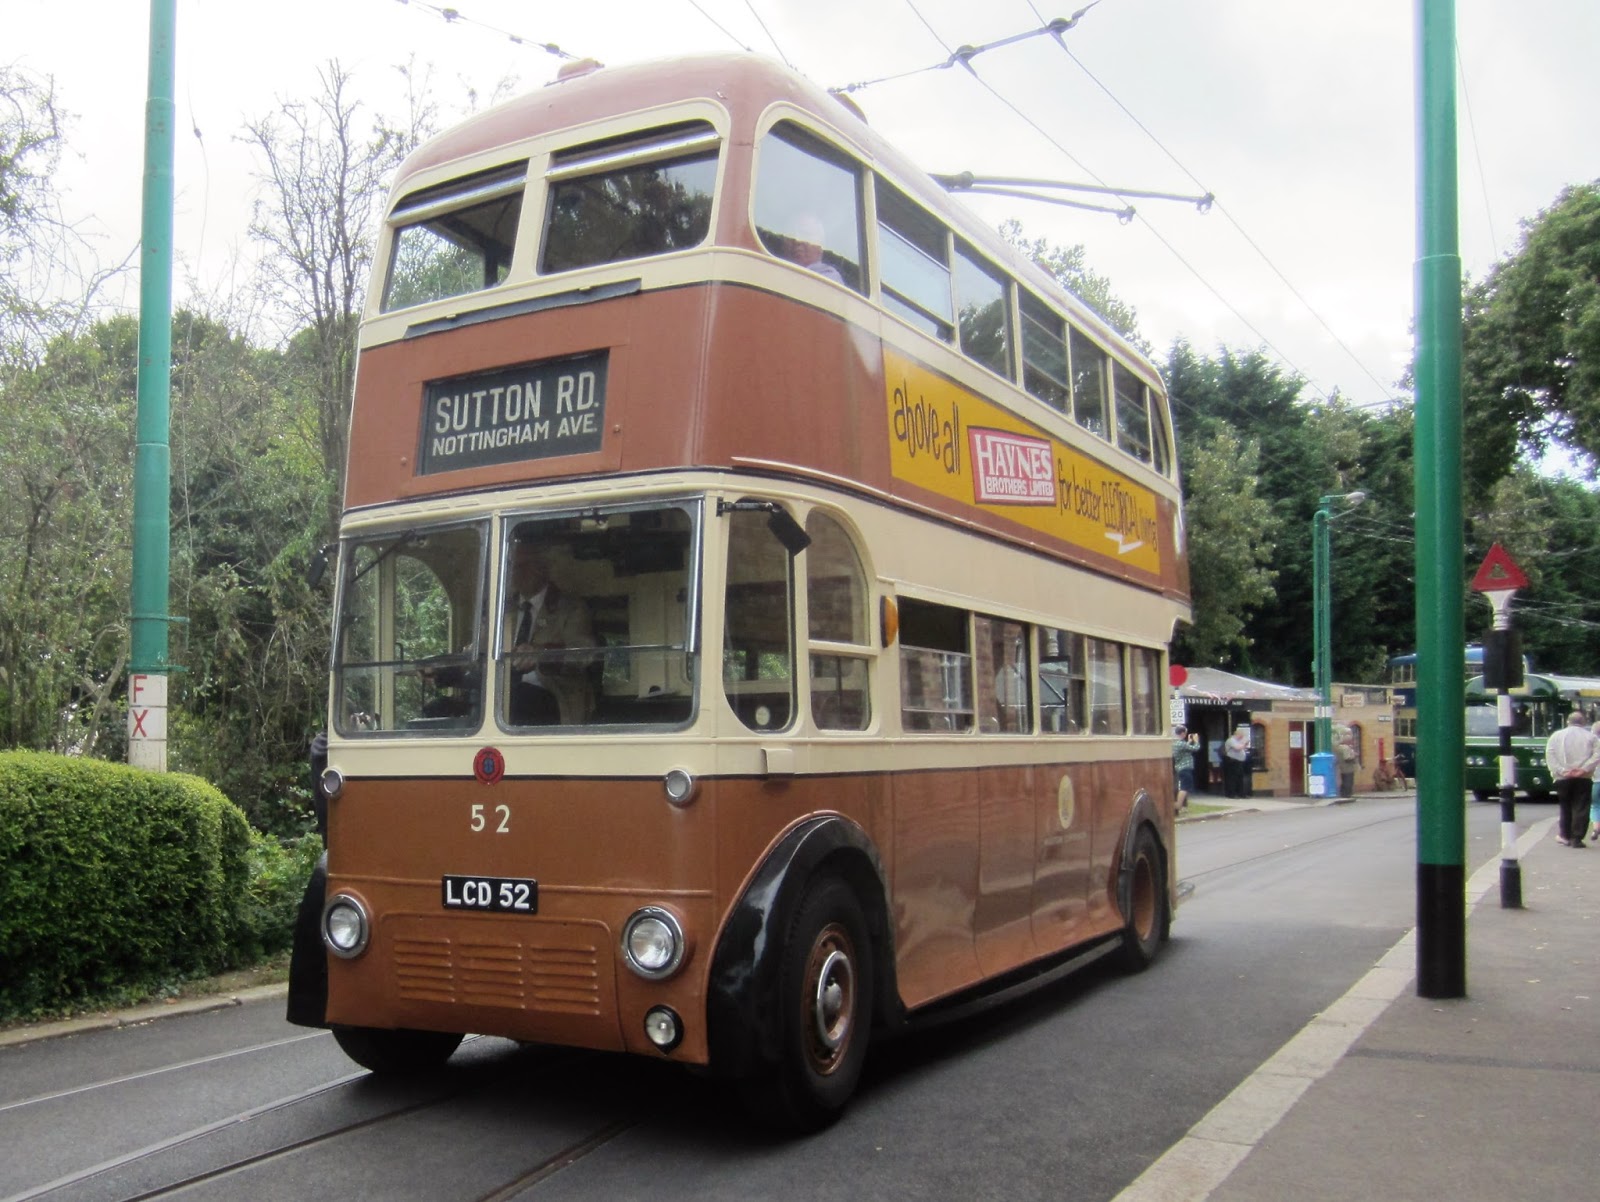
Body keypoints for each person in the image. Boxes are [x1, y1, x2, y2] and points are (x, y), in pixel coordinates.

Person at [504, 538, 597, 725]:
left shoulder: (571, 608)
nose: (516, 572)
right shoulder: (502, 612)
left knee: (520, 697)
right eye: (512, 566)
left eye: (524, 565)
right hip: (502, 698)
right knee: (441, 708)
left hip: (554, 696)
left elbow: (584, 654)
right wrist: (443, 669)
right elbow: (479, 649)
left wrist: (541, 654)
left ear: (543, 567)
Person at [1544, 709, 1599, 847]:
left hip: (1563, 778)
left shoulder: (1556, 736)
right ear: (1584, 722)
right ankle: (1577, 838)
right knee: (1581, 807)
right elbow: (1597, 755)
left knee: (1565, 806)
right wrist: (1583, 769)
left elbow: (1550, 755)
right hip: (1584, 777)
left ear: (1567, 721)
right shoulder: (1591, 737)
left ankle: (1565, 835)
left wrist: (1562, 771)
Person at [787, 215, 845, 284]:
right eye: (791, 235)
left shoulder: (829, 278)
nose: (797, 240)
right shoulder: (774, 267)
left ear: (820, 245)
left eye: (805, 234)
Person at [1172, 725, 1198, 811]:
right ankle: (1178, 805)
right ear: (1183, 733)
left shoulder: (1176, 743)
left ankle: (1181, 805)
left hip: (1180, 767)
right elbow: (1196, 748)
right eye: (1185, 733)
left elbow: (1185, 748)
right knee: (1185, 787)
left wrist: (1189, 742)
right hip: (1185, 768)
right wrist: (1196, 741)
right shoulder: (1181, 743)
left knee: (1184, 786)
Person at [1224, 723, 1253, 798]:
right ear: (1238, 734)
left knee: (1240, 778)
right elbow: (1237, 748)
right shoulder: (1231, 740)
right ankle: (1232, 794)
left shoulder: (1238, 741)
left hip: (1239, 762)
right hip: (1233, 761)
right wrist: (1244, 743)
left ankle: (1241, 793)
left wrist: (1244, 743)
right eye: (1241, 736)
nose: (1242, 737)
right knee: (1233, 778)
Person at [1335, 729, 1358, 799]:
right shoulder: (1345, 748)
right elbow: (1347, 758)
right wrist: (1354, 757)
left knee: (1344, 781)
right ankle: (1347, 795)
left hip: (1341, 767)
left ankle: (1343, 794)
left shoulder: (1338, 747)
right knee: (1348, 782)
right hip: (1347, 768)